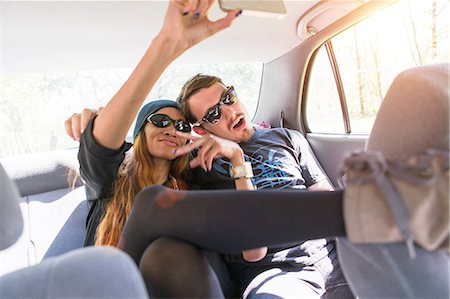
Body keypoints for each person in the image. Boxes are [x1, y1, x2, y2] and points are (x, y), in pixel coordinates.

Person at [65, 1, 268, 296]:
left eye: (182, 126)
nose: (172, 129)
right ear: (138, 134)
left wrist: (236, 156)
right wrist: (166, 46)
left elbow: (252, 246)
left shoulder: (196, 190)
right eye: (159, 121)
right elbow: (100, 145)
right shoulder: (109, 180)